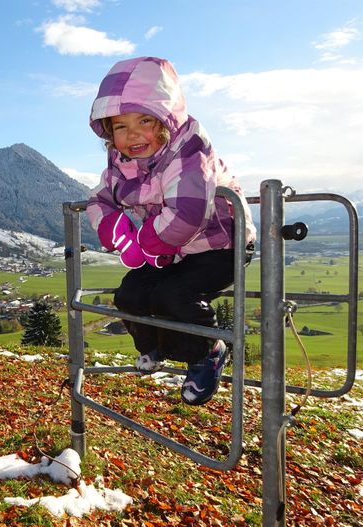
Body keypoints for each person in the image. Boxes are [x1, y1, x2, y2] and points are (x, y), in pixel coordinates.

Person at [86, 56, 256, 405]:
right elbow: (100, 199)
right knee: (130, 294)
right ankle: (155, 347)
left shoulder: (190, 147)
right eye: (119, 126)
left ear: (165, 119)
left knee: (174, 295)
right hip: (170, 248)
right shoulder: (122, 161)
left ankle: (207, 350)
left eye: (144, 120)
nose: (132, 135)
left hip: (220, 244)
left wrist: (144, 245)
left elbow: (189, 212)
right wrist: (111, 227)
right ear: (107, 131)